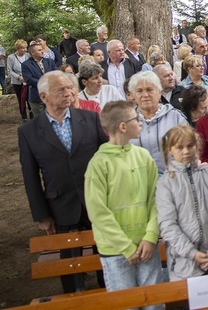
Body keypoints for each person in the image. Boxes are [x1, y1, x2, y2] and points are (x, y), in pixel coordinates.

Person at [19, 70, 108, 293]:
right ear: (43, 97)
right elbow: (30, 176)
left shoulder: (89, 119)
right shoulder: (28, 132)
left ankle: (108, 293)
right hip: (61, 205)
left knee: (105, 254)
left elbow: (107, 156)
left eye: (70, 88)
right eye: (61, 90)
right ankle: (74, 296)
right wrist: (41, 215)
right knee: (69, 262)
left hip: (96, 200)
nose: (68, 93)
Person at [84, 101, 163, 306]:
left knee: (154, 303)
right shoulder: (98, 164)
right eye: (136, 119)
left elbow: (156, 199)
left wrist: (151, 236)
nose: (140, 122)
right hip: (116, 252)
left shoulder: (143, 157)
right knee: (126, 304)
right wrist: (126, 247)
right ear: (122, 126)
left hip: (147, 247)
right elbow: (98, 213)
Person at [156, 125, 208, 280]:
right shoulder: (166, 183)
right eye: (179, 147)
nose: (186, 151)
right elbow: (167, 224)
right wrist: (192, 253)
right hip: (184, 263)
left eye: (190, 146)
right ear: (170, 150)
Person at [130, 71, 188, 172]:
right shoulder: (127, 120)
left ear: (159, 92)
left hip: (172, 180)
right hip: (138, 181)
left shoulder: (175, 116)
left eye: (149, 90)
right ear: (134, 95)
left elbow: (188, 148)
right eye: (139, 91)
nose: (145, 95)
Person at [22, 42, 58, 118]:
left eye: (42, 49)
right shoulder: (26, 64)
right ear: (32, 53)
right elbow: (28, 79)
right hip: (36, 97)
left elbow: (56, 73)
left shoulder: (50, 61)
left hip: (52, 96)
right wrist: (44, 84)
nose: (42, 51)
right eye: (39, 50)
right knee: (41, 121)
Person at [8, 39, 30, 122]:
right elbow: (10, 70)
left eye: (25, 48)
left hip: (27, 80)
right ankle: (23, 117)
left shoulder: (28, 56)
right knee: (21, 99)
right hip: (17, 82)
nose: (24, 50)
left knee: (29, 98)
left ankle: (32, 116)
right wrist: (18, 77)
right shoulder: (11, 57)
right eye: (22, 48)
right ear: (17, 48)